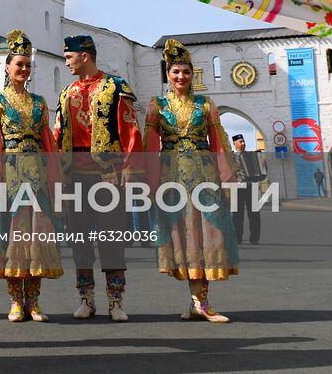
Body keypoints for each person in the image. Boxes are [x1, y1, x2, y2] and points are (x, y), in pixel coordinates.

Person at [146, 39, 238, 323]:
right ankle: (197, 301)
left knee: (206, 232)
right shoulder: (156, 105)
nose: (181, 77)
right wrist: (148, 182)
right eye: (175, 72)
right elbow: (150, 145)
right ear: (168, 75)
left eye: (185, 71)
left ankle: (202, 302)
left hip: (204, 177)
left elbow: (219, 142)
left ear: (192, 74)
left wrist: (227, 176)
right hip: (171, 178)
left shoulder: (206, 104)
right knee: (185, 236)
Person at [54, 33, 143, 322]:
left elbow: (130, 129)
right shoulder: (67, 92)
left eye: (69, 56)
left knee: (111, 238)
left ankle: (116, 301)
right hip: (75, 177)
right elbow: (58, 135)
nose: (66, 61)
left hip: (108, 177)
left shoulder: (116, 87)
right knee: (78, 239)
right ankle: (86, 298)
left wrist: (130, 168)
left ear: (85, 55)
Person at [0, 30, 61, 322]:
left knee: (37, 236)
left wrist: (54, 176)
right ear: (7, 67)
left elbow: (48, 143)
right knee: (13, 236)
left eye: (28, 65)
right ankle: (16, 301)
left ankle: (34, 301)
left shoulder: (40, 103)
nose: (24, 69)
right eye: (19, 64)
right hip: (10, 174)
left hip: (36, 173)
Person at [231, 134, 267, 246]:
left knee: (254, 213)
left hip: (251, 186)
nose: (243, 143)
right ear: (235, 144)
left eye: (244, 141)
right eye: (240, 142)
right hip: (237, 187)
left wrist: (263, 166)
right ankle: (237, 238)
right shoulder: (231, 157)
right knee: (237, 214)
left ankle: (254, 238)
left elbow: (262, 174)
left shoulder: (252, 155)